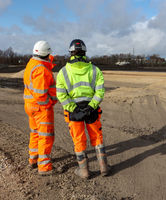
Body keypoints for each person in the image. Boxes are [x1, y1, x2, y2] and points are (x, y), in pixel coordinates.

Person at [56, 39, 110, 178]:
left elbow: (61, 95)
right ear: (84, 52)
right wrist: (91, 107)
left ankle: (84, 171)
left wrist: (74, 109)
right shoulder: (95, 70)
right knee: (97, 137)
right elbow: (100, 92)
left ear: (71, 53)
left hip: (74, 113)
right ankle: (104, 167)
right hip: (91, 110)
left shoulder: (63, 72)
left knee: (78, 140)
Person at [23, 40, 57, 176]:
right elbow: (40, 95)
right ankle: (44, 167)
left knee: (35, 133)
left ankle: (33, 159)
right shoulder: (41, 70)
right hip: (41, 108)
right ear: (46, 54)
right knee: (45, 136)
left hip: (30, 106)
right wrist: (49, 104)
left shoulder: (32, 64)